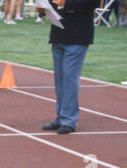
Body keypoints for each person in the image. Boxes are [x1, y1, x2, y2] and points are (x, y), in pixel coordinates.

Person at [42, 0, 94, 133]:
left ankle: (69, 120)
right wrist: (44, 8)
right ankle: (61, 116)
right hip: (58, 35)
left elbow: (90, 4)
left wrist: (65, 3)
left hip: (77, 36)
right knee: (59, 80)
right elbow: (52, 3)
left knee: (70, 78)